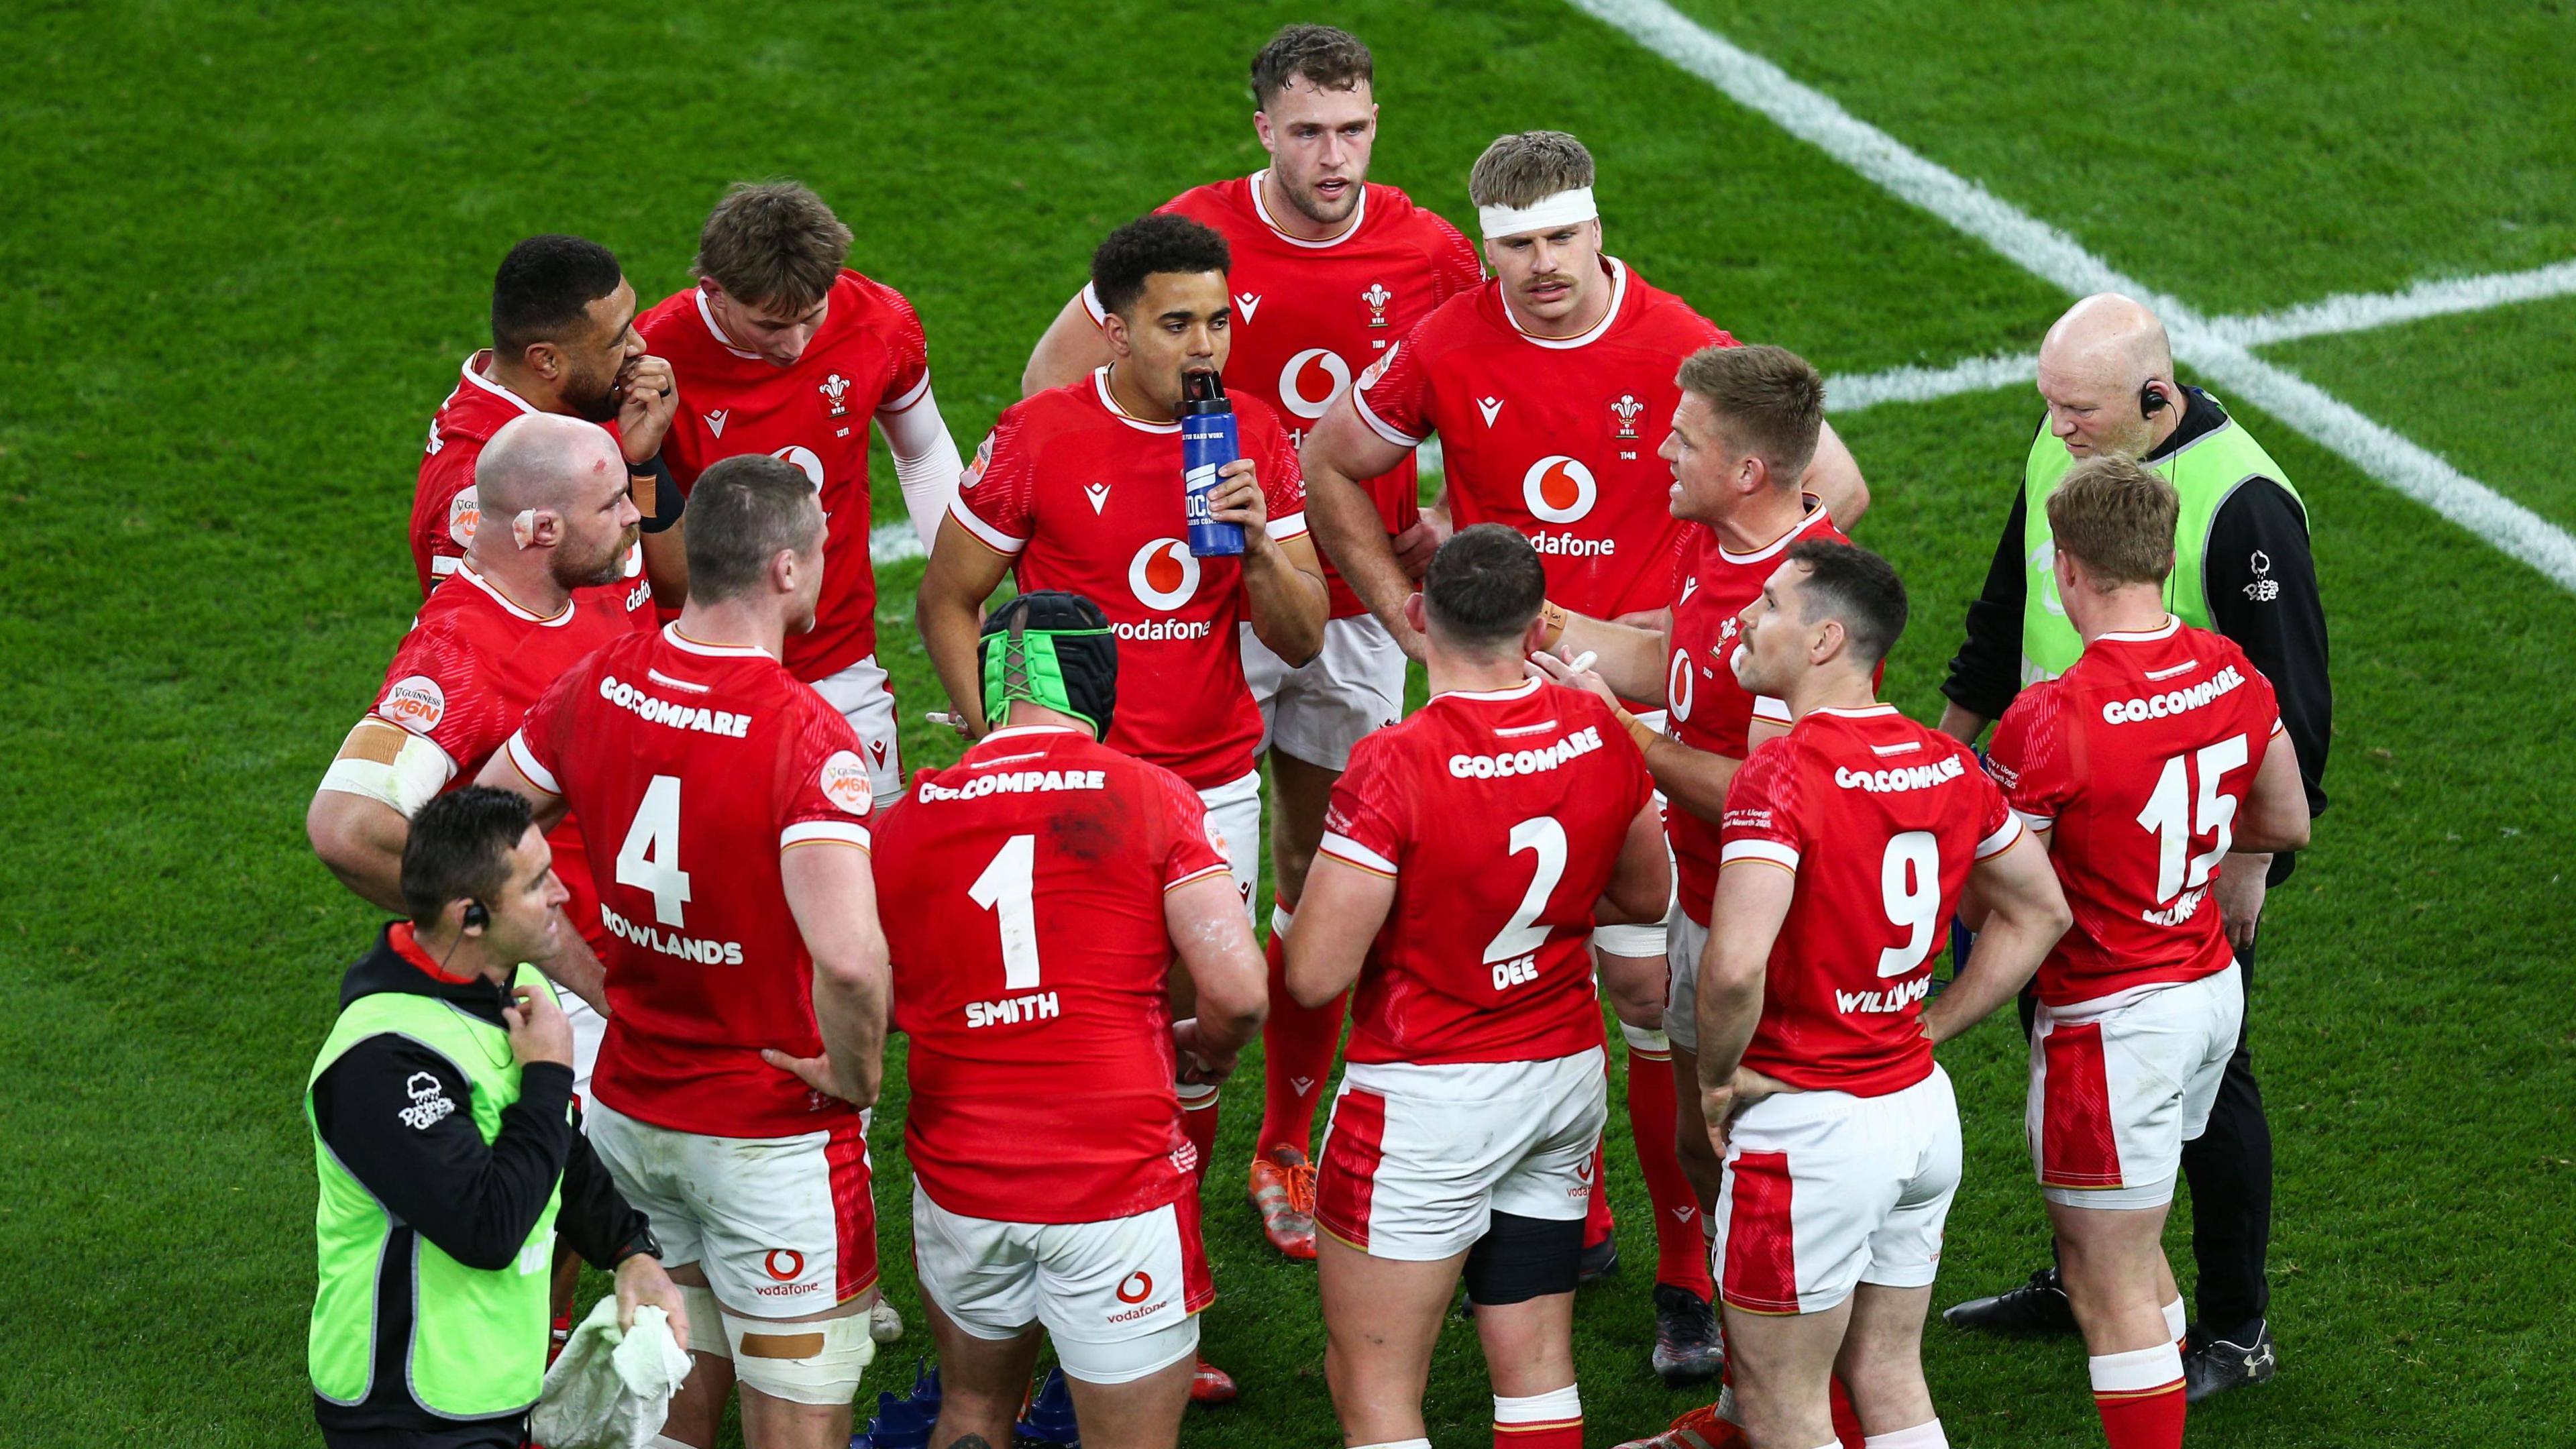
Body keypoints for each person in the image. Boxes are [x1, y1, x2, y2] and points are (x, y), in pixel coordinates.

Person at [1303, 128, 1869, 1369]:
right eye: (1516, 245)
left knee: (1649, 989)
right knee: (1510, 948)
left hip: (1643, 711)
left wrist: (1697, 618)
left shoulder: (1682, 344)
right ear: (1488, 245)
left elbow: (1834, 491)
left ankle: (1683, 1272)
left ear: (1598, 226)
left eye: (1562, 236)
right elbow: (1328, 463)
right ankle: (1578, 1209)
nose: (1543, 264)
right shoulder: (1449, 338)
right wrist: (1401, 601)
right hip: (1500, 700)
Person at [1018, 21, 1483, 1265]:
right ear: (1263, 128)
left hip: (1339, 603)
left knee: (1322, 867)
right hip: (1188, 603)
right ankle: (1128, 1121)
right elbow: (1049, 383)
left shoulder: (1430, 249)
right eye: (1309, 131)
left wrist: (1446, 512)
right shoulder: (1194, 236)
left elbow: (1481, 387)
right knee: (1158, 874)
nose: (1335, 157)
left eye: (1355, 130)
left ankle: (1281, 1142)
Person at [920, 213, 1328, 1403]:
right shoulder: (1041, 437)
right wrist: (1003, 743)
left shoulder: (1251, 434)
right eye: (1176, 323)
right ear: (1113, 327)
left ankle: (1164, 1282)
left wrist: (1260, 541)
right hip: (1074, 801)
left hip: (1205, 785)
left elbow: (1299, 643)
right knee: (1083, 1037)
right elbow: (951, 600)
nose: (1205, 345)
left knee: (1210, 1026)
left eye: (1217, 318)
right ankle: (1071, 1287)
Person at [1936, 294, 2331, 1401]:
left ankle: (2238, 1325)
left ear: (2155, 398)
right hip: (2061, 811)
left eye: (2080, 410)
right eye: (2050, 407)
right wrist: (1941, 754)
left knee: (2210, 1079)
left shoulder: (2246, 505)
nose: (2058, 429)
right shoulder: (2072, 446)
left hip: (2187, 855)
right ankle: (2093, 1272)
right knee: (2065, 1045)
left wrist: (2249, 867)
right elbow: (2004, 603)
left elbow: (2291, 703)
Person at [476, 455, 892, 1449]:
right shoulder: (807, 738)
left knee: (665, 1409)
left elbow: (479, 823)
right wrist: (857, 1071)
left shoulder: (599, 680)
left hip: (630, 1118)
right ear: (788, 570)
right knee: (796, 1424)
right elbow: (846, 962)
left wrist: (584, 965)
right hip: (769, 1141)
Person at [1676, 540, 2071, 1449]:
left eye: (1768, 604)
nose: (1744, 616)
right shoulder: (1943, 761)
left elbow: (1734, 969)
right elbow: (2040, 910)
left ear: (1822, 642)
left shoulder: (1780, 775)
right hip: (1917, 1112)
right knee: (1890, 1375)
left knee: (1784, 1409)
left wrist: (1715, 1081)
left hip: (1809, 1129)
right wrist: (1931, 1023)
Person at [1286, 524, 1672, 1449]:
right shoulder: (1597, 728)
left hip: (1426, 1099)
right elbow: (1648, 892)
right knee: (1537, 1365)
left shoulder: (1396, 763)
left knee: (1376, 1386)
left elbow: (1313, 974)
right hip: (1560, 1076)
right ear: (1542, 625)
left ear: (1420, 616)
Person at [873, 590, 1270, 1449]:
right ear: (1096, 680)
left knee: (973, 1414)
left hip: (962, 1176)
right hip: (1113, 1178)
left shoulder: (902, 820)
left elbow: (863, 991)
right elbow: (1237, 993)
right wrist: (1210, 1051)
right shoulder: (1152, 795)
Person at [1531, 343, 1856, 1387]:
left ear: (1749, 471)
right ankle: (1744, 1383)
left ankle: (1790, 1390)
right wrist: (1527, 627)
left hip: (1765, 927)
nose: (1659, 448)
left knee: (1759, 1169)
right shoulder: (1712, 546)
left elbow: (1764, 796)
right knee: (1698, 1147)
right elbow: (1668, 658)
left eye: (1685, 438)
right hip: (1698, 892)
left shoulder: (1804, 601)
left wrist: (1616, 733)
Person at [1976, 458, 2311, 1449]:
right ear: (2165, 558)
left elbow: (2016, 901)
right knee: (2133, 1251)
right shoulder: (2231, 669)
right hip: (2208, 989)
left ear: (2067, 569)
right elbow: (2287, 820)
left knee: (2100, 1276)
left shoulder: (2049, 716)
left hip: (2111, 1024)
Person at [307, 786, 685, 1449]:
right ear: (470, 915)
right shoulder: (379, 1061)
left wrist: (630, 1251)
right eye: (538, 883)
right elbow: (486, 1228)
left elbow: (560, 1146)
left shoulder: (517, 988)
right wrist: (546, 1076)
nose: (563, 895)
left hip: (493, 1393)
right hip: (409, 1411)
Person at [311, 412, 639, 1086]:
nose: (632, 517)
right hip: (570, 1007)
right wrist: (530, 947)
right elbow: (347, 830)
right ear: (540, 530)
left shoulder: (592, 581)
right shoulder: (457, 658)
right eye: (612, 506)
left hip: (644, 960)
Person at [635, 181, 965, 809]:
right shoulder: (652, 358)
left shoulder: (879, 321)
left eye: (810, 317)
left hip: (841, 661)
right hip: (703, 669)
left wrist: (960, 604)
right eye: (770, 325)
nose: (795, 346)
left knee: (869, 869)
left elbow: (921, 454)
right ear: (714, 291)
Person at [413, 233, 683, 616]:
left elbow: (676, 589)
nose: (639, 348)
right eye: (618, 339)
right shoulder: (486, 483)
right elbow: (483, 653)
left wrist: (643, 462)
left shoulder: (577, 405)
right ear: (546, 362)